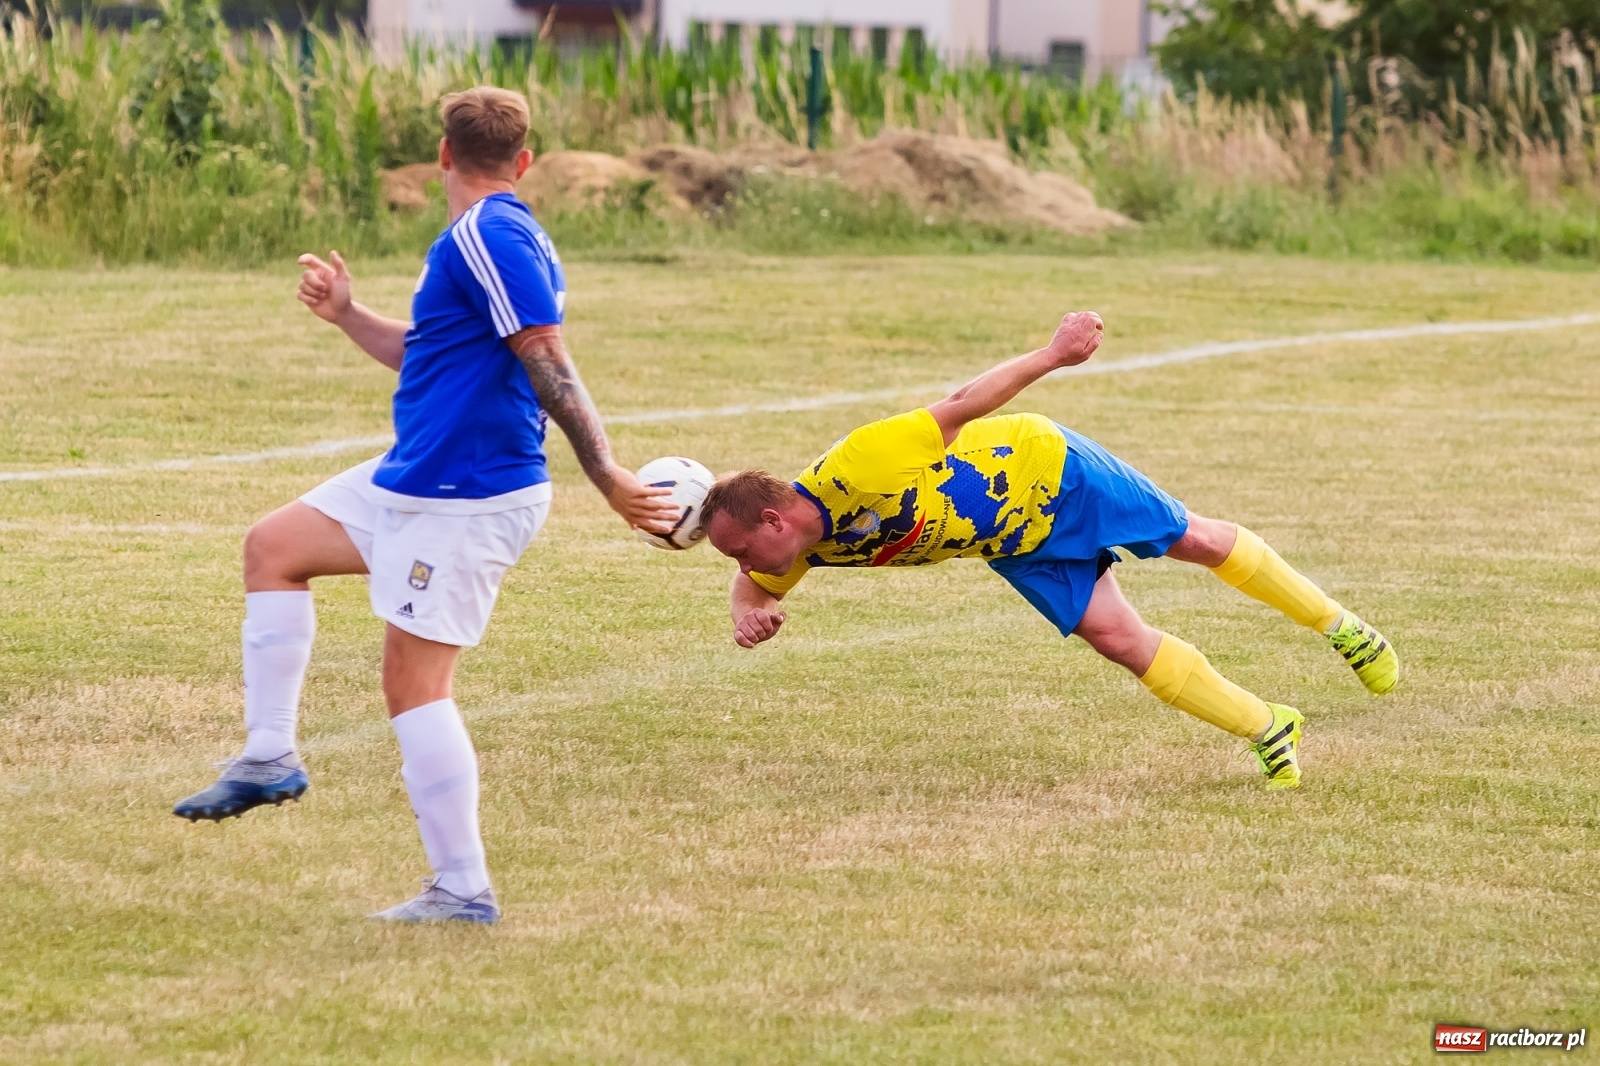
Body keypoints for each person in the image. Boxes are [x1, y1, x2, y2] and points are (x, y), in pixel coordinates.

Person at [172, 87, 676, 923]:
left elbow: (545, 356)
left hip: (466, 492)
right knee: (274, 548)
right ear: (524, 162)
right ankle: (268, 757)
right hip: (418, 475)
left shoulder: (489, 234)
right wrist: (344, 315)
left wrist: (608, 472)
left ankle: (461, 889)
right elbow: (430, 352)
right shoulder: (488, 236)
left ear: (442, 155)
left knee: (414, 684)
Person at [699, 311, 1398, 791]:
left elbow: (964, 402)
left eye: (740, 552)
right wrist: (743, 613)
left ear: (772, 517)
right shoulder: (790, 550)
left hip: (1046, 468)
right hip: (1014, 543)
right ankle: (1270, 726)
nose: (745, 568)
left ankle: (1344, 629)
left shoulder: (861, 463)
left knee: (1195, 540)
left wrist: (1056, 353)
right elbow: (758, 588)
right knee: (1118, 641)